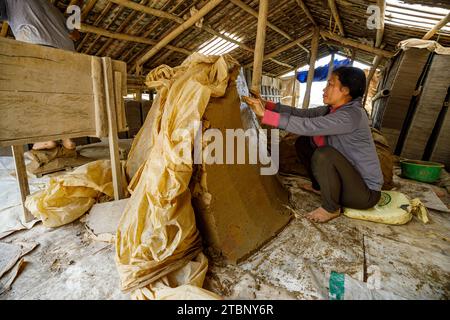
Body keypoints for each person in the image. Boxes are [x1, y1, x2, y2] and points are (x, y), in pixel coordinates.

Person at [243, 66, 383, 223]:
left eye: (330, 84)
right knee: (304, 142)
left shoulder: (352, 115)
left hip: (364, 194)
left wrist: (265, 115)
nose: (325, 89)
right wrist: (266, 105)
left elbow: (309, 126)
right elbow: (301, 114)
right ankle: (319, 186)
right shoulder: (331, 110)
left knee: (324, 154)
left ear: (345, 90)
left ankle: (331, 208)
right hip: (349, 180)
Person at [0, 0, 81, 150]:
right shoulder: (51, 7)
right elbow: (75, 34)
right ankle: (67, 138)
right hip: (67, 51)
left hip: (36, 43)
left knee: (38, 96)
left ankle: (47, 139)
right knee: (62, 96)